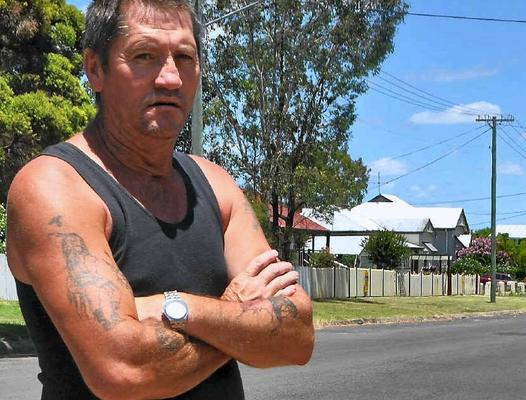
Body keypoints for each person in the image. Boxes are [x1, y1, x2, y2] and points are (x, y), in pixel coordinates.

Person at [6, 0, 314, 398]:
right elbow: (123, 369)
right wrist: (238, 314)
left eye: (184, 57)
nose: (170, 78)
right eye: (144, 56)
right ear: (95, 69)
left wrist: (180, 307)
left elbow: (297, 336)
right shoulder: (55, 186)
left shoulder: (215, 184)